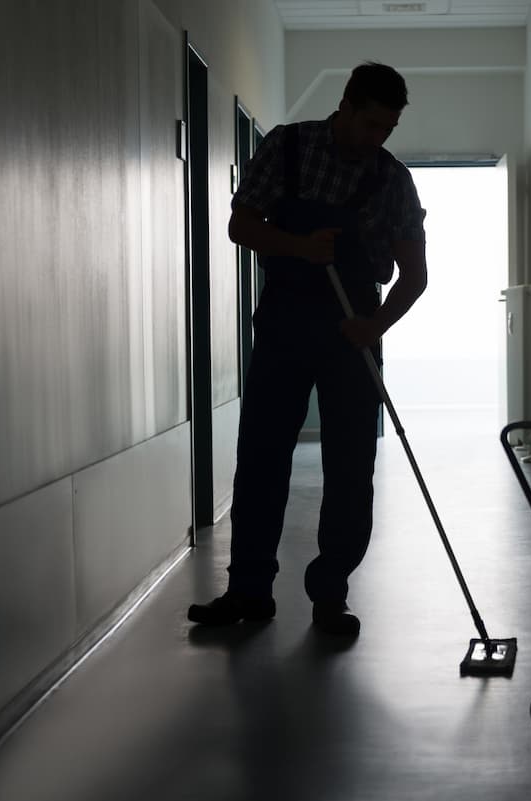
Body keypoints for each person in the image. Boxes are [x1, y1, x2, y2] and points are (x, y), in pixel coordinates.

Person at [188, 63, 427, 637]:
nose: (377, 139)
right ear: (345, 105)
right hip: (285, 323)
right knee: (262, 459)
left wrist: (376, 326)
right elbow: (241, 226)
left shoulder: (393, 180)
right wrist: (298, 246)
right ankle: (248, 591)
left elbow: (414, 276)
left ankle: (330, 597)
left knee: (349, 467)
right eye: (370, 124)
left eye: (387, 129)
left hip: (353, 332)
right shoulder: (288, 148)